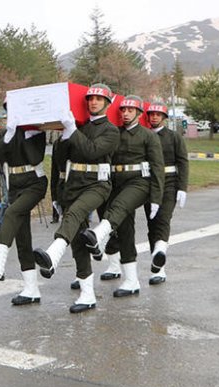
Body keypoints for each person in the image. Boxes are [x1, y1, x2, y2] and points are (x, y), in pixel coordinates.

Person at [33, 84, 120, 313]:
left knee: (75, 213)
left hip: (98, 184)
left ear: (107, 104)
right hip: (73, 184)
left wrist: (72, 131)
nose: (93, 102)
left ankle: (53, 252)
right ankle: (87, 294)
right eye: (90, 99)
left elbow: (92, 151)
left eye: (99, 100)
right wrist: (57, 194)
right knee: (80, 242)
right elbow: (60, 164)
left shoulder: (111, 130)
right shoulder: (75, 128)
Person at [80, 95, 164, 299]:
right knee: (125, 230)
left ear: (138, 113)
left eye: (130, 111)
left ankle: (99, 234)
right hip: (117, 181)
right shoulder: (114, 133)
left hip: (139, 182)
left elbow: (157, 167)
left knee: (119, 205)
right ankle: (131, 280)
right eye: (123, 110)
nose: (125, 114)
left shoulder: (148, 136)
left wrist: (156, 198)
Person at [0, 100, 48, 306]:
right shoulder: (6, 133)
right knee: (22, 237)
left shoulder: (35, 131)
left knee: (10, 214)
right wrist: (8, 135)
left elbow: (35, 158)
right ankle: (31, 289)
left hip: (34, 183)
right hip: (14, 186)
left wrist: (23, 134)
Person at [142, 101, 189, 285]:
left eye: (158, 114)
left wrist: (182, 187)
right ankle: (157, 265)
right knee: (152, 224)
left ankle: (160, 257)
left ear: (164, 118)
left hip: (169, 183)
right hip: (149, 183)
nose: (154, 117)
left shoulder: (173, 137)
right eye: (151, 114)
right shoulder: (145, 136)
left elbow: (183, 162)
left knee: (163, 218)